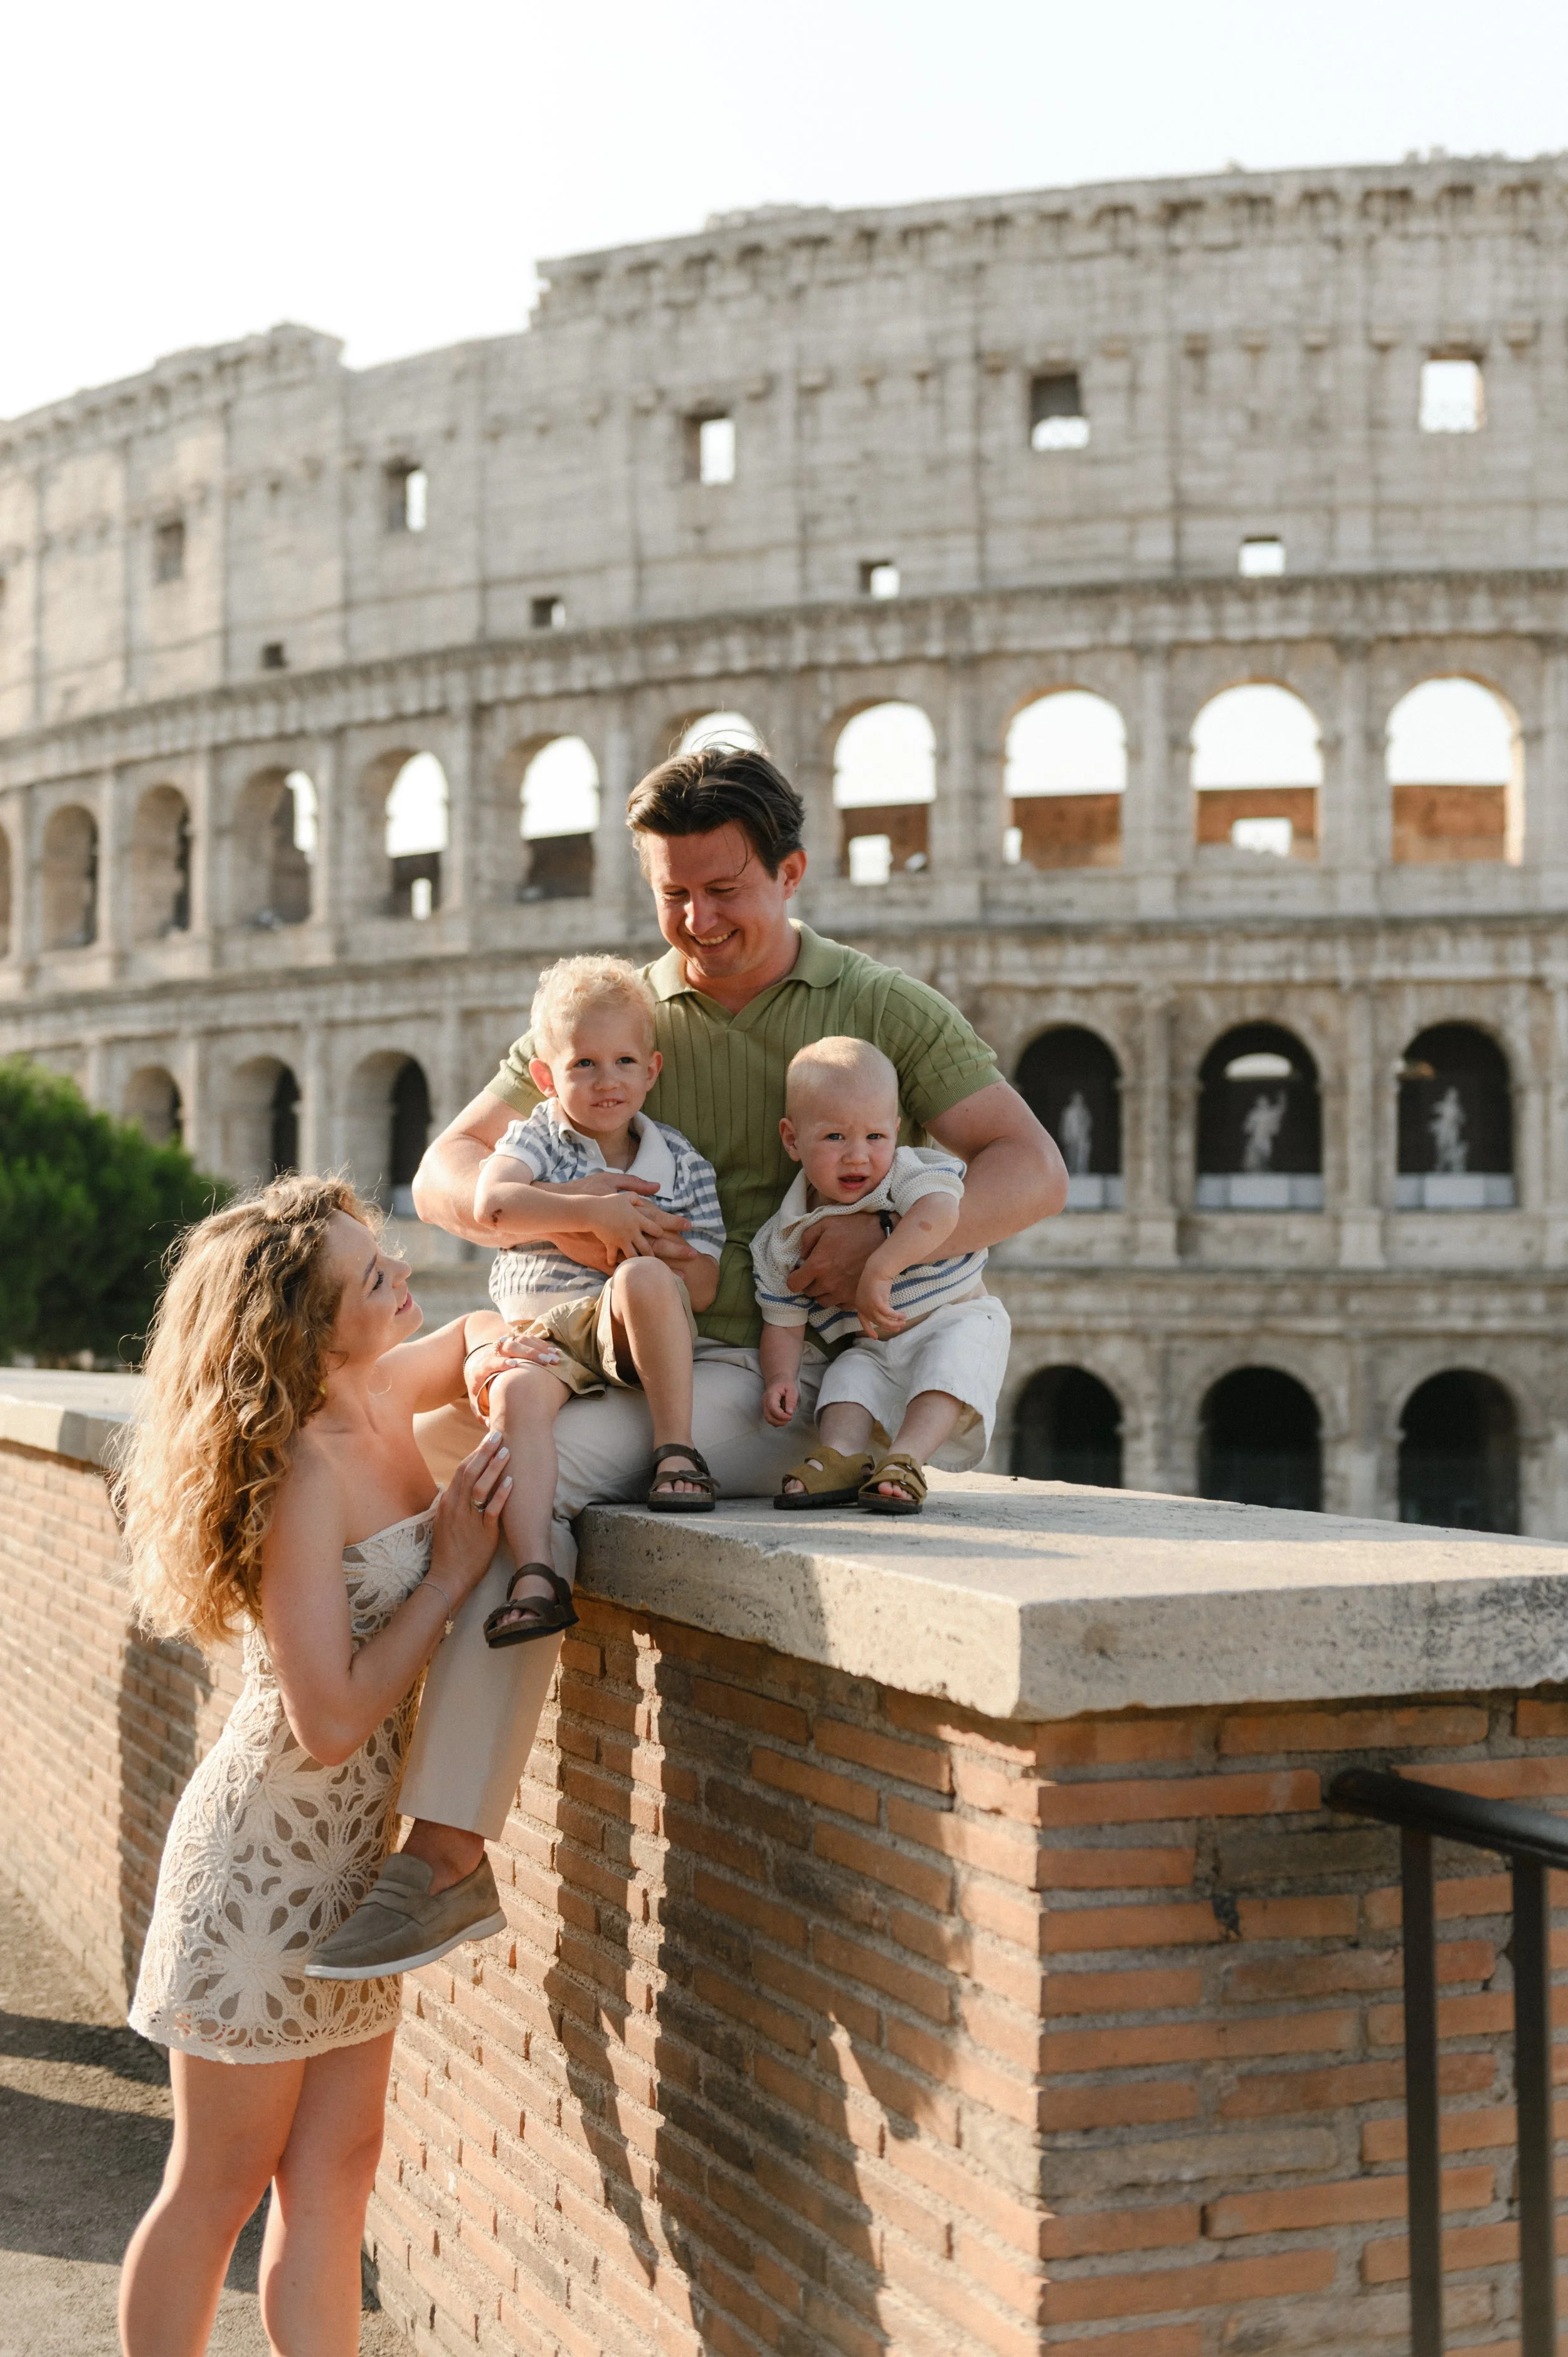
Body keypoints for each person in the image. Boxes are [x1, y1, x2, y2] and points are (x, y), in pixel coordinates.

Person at [317, 741, 1068, 1977]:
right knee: (424, 1425)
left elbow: (1026, 1166)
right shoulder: (621, 1013)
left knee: (520, 1476)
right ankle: (350, 1718)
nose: (694, 920)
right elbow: (446, 1167)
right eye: (671, 892)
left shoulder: (874, 1005)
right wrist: (555, 1218)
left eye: (723, 890)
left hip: (776, 1377)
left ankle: (441, 1852)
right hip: (612, 1342)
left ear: (790, 873)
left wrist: (881, 1240)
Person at [116, 1176, 514, 2357]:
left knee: (339, 2172)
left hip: (354, 1875)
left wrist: (510, 1358)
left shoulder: (384, 1385)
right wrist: (447, 1571)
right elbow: (330, 1718)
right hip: (258, 1866)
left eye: (383, 1255)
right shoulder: (302, 1473)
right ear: (299, 1322)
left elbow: (487, 1332)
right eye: (368, 1277)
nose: (398, 1276)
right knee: (220, 2181)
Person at [469, 954, 727, 1648]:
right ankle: (535, 1573)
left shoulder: (681, 1163)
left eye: (622, 1062)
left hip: (625, 1326)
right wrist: (592, 1210)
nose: (606, 1080)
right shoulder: (537, 1135)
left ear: (652, 1069)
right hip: (543, 1336)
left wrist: (647, 1241)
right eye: (584, 1064)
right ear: (547, 1078)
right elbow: (491, 1203)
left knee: (646, 1279)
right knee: (514, 1398)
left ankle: (677, 1452)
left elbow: (702, 1284)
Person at [755, 1036, 1010, 1514]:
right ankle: (843, 1458)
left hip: (955, 1316)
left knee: (947, 1370)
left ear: (895, 1133)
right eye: (835, 1137)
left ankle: (906, 1461)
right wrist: (780, 1376)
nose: (858, 1156)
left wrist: (880, 1266)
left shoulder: (904, 1172)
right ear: (792, 1139)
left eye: (875, 1137)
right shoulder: (783, 1236)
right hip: (873, 1345)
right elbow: (782, 1316)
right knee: (847, 1382)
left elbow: (941, 1212)